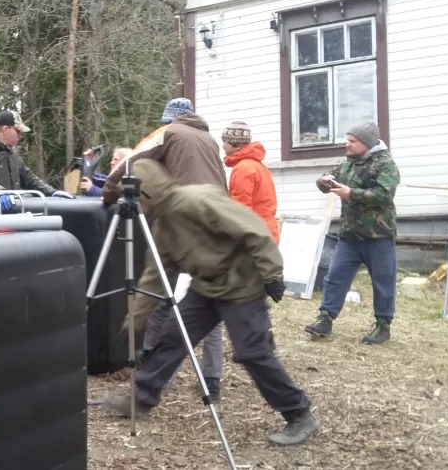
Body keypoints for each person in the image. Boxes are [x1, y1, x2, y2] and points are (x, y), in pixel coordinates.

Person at [103, 158, 320, 446]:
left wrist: (272, 274)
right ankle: (140, 399)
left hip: (241, 285)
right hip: (205, 289)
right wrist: (134, 321)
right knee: (173, 336)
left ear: (148, 193)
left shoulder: (198, 201)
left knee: (252, 352)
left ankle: (298, 413)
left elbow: (253, 228)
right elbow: (154, 275)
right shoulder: (163, 226)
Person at [102, 106, 228, 402]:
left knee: (159, 292)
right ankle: (211, 378)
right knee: (210, 301)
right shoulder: (209, 142)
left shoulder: (169, 132)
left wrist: (108, 192)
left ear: (169, 119)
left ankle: (150, 361)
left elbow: (132, 161)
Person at [305, 122, 400, 344]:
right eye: (348, 139)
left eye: (352, 141)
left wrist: (351, 193)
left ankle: (383, 325)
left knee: (383, 282)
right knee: (335, 278)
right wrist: (324, 180)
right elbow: (329, 182)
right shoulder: (348, 165)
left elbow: (384, 195)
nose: (347, 144)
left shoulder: (386, 164)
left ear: (366, 143)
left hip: (379, 236)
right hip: (349, 236)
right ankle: (325, 319)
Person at [0, 109, 73, 212]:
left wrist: (52, 192)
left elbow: (28, 178)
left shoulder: (11, 154)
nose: (20, 136)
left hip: (10, 214)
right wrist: (0, 193)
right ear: (5, 129)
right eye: (17, 131)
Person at [221, 121, 280, 243]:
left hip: (254, 235)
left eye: (225, 141)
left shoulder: (243, 168)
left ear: (235, 143)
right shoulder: (258, 166)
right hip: (267, 231)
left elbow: (241, 209)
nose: (223, 146)